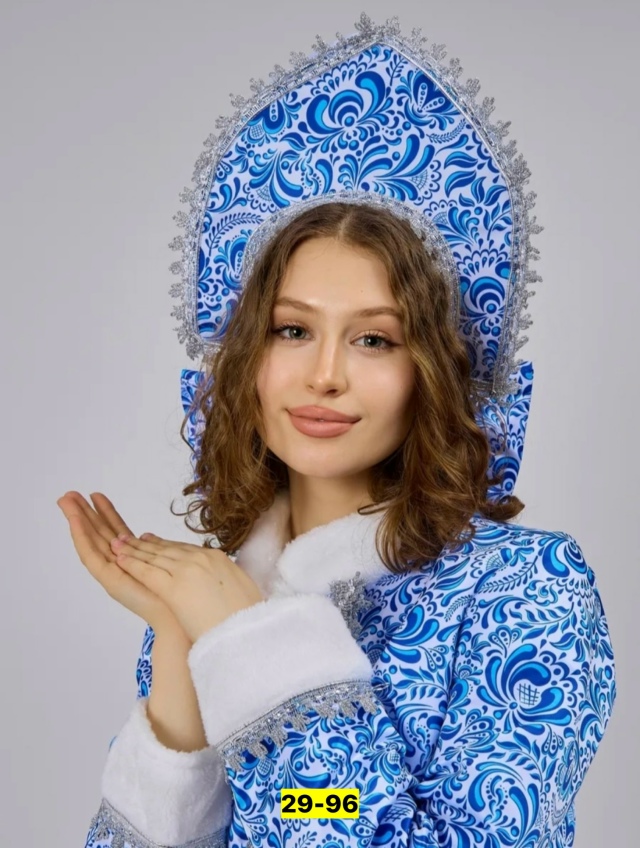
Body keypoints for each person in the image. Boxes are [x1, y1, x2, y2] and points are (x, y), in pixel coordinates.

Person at [57, 15, 617, 848]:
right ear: (244, 360)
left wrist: (254, 646)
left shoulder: (524, 591)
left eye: (374, 339)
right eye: (291, 330)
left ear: (435, 370)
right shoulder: (216, 595)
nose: (325, 374)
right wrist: (180, 645)